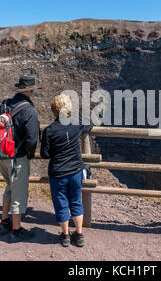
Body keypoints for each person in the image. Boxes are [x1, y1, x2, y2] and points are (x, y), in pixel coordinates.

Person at [40, 94, 93, 247]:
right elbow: (89, 125)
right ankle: (80, 234)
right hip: (76, 171)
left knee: (61, 203)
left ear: (54, 110)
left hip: (58, 174)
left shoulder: (50, 131)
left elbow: (45, 154)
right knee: (76, 201)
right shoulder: (76, 125)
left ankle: (65, 236)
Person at [0, 75, 40, 243]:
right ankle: (16, 230)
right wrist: (29, 155)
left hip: (1, 156)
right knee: (19, 194)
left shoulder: (4, 104)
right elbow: (32, 139)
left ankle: (4, 222)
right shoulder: (29, 110)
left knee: (10, 188)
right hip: (16, 158)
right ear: (30, 90)